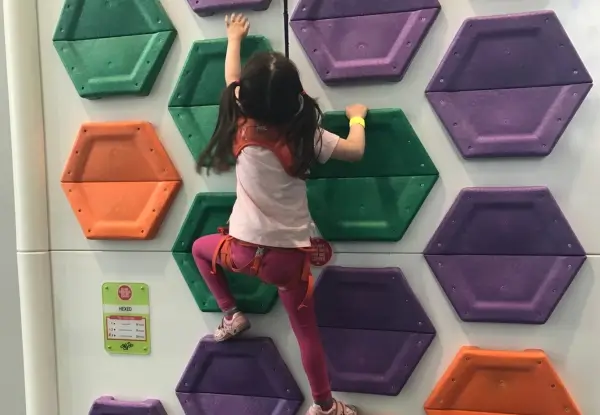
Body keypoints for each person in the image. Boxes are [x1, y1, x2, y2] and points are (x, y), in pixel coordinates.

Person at [191, 13, 368, 415]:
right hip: (287, 263)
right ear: (296, 97)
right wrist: (357, 116)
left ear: (244, 99)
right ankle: (324, 407)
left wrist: (234, 38)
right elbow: (356, 152)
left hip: (239, 251)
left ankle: (232, 314)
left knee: (201, 250)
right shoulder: (308, 134)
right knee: (307, 335)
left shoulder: (240, 125)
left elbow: (231, 78)